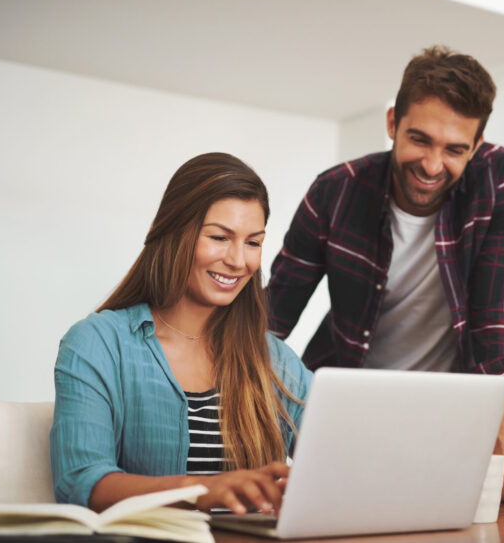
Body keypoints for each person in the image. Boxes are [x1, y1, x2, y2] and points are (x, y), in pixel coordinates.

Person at [267, 46, 504, 507]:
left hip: (446, 426)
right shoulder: (335, 190)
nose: (432, 165)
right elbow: (269, 323)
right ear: (392, 123)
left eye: (455, 149)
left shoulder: (500, 181)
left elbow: (497, 334)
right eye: (420, 140)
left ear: (476, 146)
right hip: (340, 419)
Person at [50, 153, 311, 515]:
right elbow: (81, 482)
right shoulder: (98, 344)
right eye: (219, 237)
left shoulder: (277, 362)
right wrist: (201, 489)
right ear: (175, 233)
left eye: (253, 242)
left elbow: (341, 460)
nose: (239, 261)